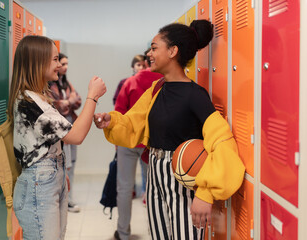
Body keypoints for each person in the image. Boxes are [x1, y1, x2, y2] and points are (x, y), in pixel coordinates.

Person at [94, 20, 245, 240]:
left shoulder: (196, 95)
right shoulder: (157, 88)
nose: (149, 53)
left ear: (173, 51)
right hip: (155, 175)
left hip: (183, 179)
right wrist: (111, 121)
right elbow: (134, 122)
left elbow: (223, 142)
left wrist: (206, 193)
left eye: (154, 48)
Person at [9, 35, 106, 240]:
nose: (59, 65)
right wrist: (93, 96)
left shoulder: (39, 97)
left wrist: (61, 175)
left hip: (48, 180)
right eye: (54, 60)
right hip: (38, 185)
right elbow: (76, 135)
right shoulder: (29, 103)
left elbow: (53, 142)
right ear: (38, 62)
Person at [113, 53, 163, 240]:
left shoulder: (130, 82)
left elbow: (119, 113)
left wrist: (118, 142)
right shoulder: (163, 82)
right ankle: (155, 231)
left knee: (124, 188)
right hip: (152, 143)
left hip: (127, 142)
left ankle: (123, 233)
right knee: (154, 189)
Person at [48, 53, 82, 213]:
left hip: (70, 127)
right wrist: (69, 101)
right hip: (59, 133)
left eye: (66, 63)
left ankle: (69, 198)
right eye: (61, 63)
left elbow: (78, 100)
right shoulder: (50, 85)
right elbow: (57, 105)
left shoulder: (66, 83)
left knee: (71, 165)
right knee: (64, 166)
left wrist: (68, 102)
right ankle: (64, 199)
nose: (64, 66)